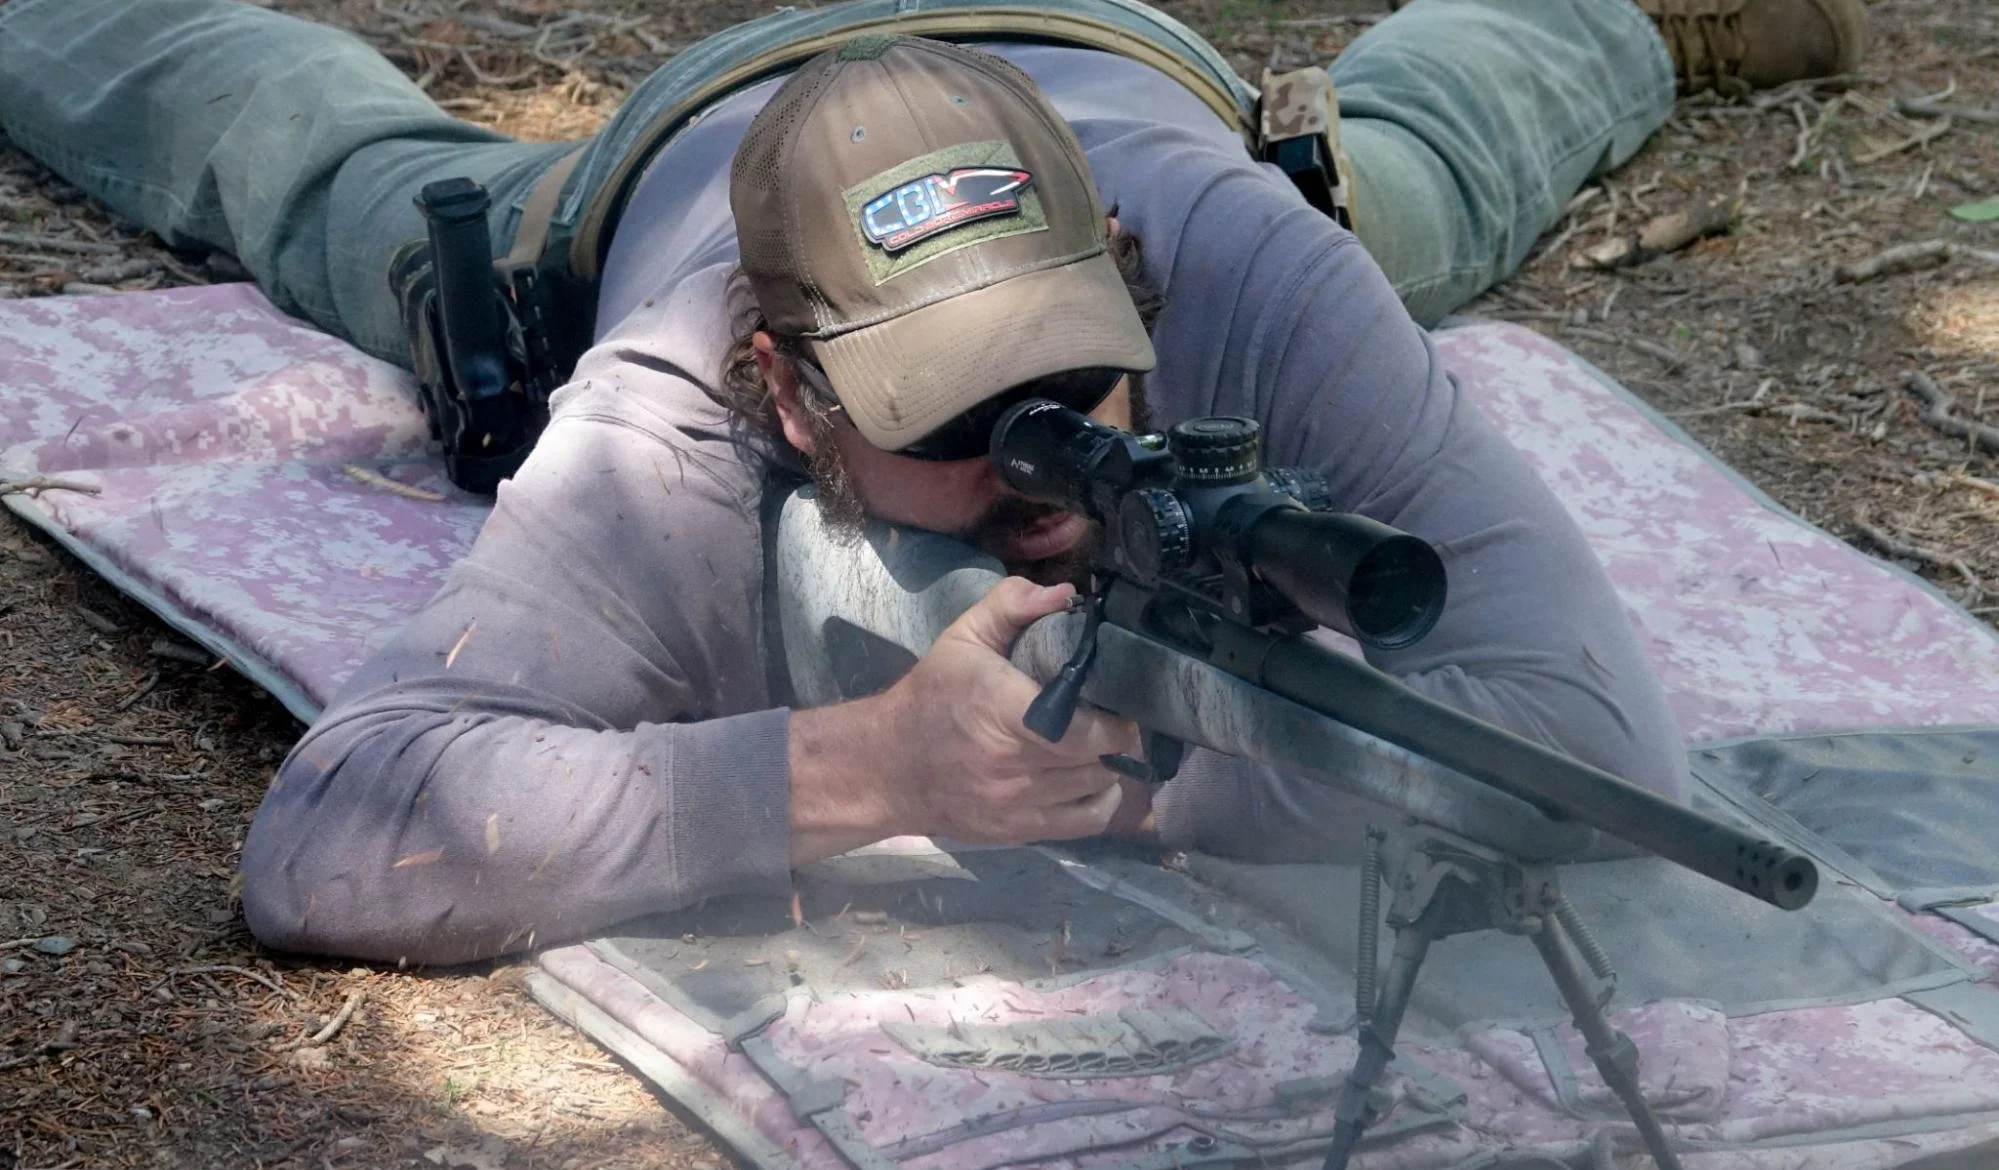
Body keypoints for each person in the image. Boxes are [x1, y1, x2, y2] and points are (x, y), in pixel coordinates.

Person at [0, 0, 1865, 965]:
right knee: (326, 167)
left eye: (1071, 372)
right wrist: (866, 771)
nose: (1039, 461)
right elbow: (336, 834)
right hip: (670, 152)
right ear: (784, 390)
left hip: (1106, 67)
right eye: (951, 413)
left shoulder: (1249, 274)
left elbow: (1603, 751)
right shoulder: (668, 411)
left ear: (1130, 275)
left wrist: (1167, 785)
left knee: (1421, 169)